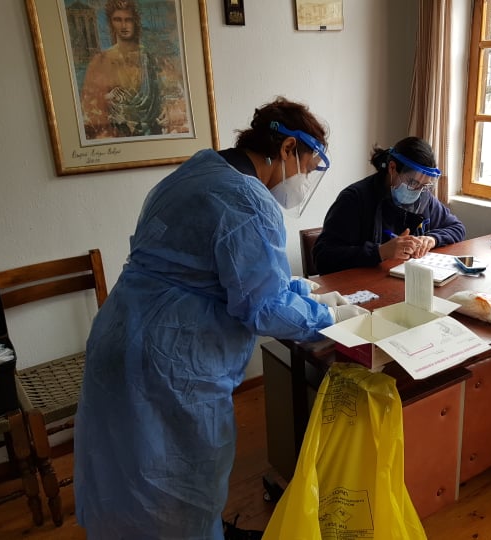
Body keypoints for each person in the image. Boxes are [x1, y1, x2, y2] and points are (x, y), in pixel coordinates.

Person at [73, 97, 367, 540]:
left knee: (127, 471)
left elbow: (212, 271)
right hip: (170, 360)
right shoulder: (248, 200)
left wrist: (300, 289)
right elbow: (262, 307)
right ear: (287, 148)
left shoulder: (198, 170)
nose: (303, 182)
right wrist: (327, 316)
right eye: (307, 169)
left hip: (120, 331)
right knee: (179, 479)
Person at [313, 136, 466, 274]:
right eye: (413, 183)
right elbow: (323, 258)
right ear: (392, 168)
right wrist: (380, 252)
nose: (418, 192)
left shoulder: (424, 198)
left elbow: (457, 228)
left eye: (424, 186)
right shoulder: (355, 199)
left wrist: (432, 239)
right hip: (362, 285)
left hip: (404, 282)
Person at [80, 0, 172, 139]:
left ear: (135, 22)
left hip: (153, 133)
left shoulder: (151, 59)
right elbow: (87, 105)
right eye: (117, 20)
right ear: (111, 23)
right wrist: (108, 97)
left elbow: (167, 94)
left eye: (128, 20)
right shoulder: (100, 61)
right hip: (115, 136)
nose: (123, 25)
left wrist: (167, 108)